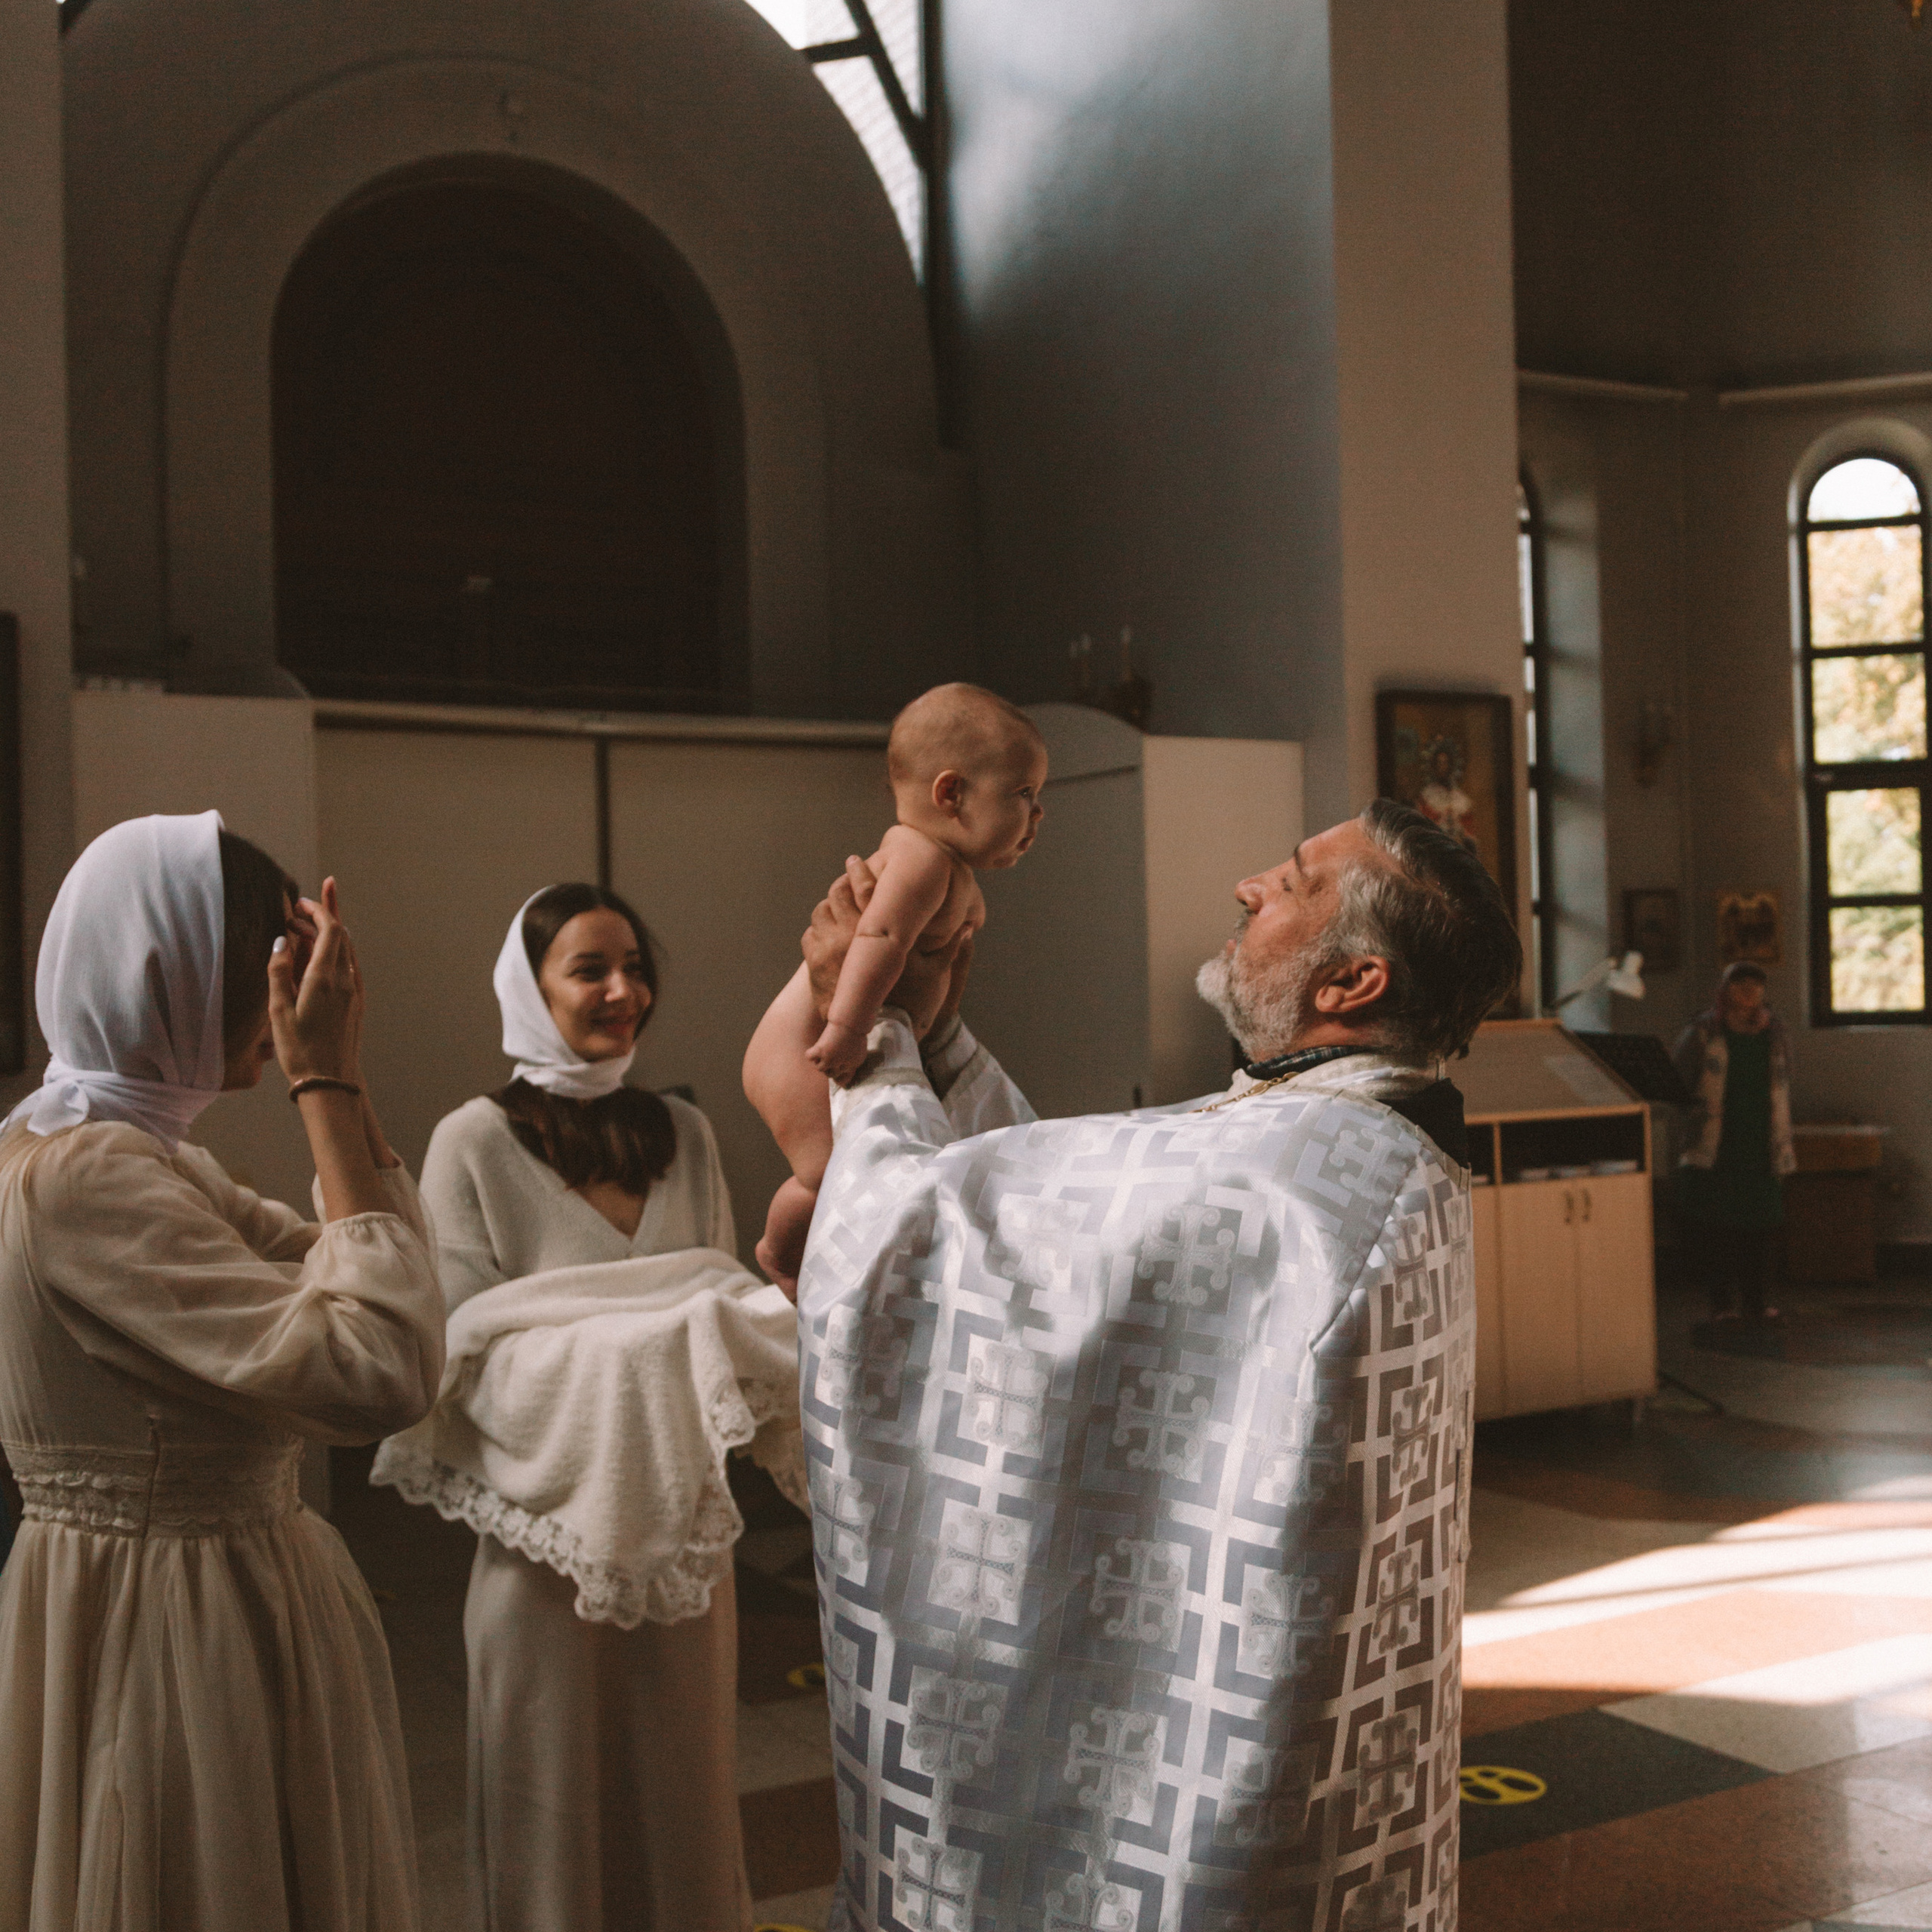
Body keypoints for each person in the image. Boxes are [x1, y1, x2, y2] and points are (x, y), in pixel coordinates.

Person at [793, 798, 1520, 1932]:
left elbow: (934, 1236)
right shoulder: (1346, 1138)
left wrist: (876, 1039)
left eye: (1292, 880)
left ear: (1351, 984)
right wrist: (936, 1042)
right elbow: (1061, 1228)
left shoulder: (1298, 1171)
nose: (1249, 886)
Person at [0, 812, 443, 1932]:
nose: (288, 999)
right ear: (170, 970)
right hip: (174, 1627)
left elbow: (373, 1285)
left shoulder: (138, 1157)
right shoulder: (88, 1179)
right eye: (269, 968)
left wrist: (344, 1081)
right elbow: (380, 1367)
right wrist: (327, 1083)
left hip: (205, 1597)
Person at [395, 884, 769, 1932]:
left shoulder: (686, 1133)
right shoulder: (469, 1142)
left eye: (634, 967)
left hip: (682, 1548)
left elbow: (723, 1314)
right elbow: (460, 1348)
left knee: (683, 1809)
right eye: (589, 970)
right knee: (549, 1815)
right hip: (544, 1551)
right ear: (530, 988)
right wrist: (644, 1348)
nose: (622, 991)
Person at [743, 683, 1047, 1291]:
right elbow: (876, 939)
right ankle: (780, 1253)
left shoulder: (948, 866)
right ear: (951, 792)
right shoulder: (921, 859)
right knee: (830, 1173)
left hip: (828, 1036)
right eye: (1023, 795)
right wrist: (848, 1029)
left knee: (858, 1172)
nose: (1037, 817)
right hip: (802, 1044)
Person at [1672, 961, 1795, 1324]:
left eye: (1756, 986)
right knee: (1717, 1230)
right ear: (1726, 989)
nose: (1749, 993)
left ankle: (1756, 1303)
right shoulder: (1703, 1032)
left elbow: (1787, 1081)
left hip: (1761, 1143)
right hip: (1717, 1145)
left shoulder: (1775, 1033)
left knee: (1758, 1230)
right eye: (1741, 985)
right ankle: (1722, 1304)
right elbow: (1679, 1082)